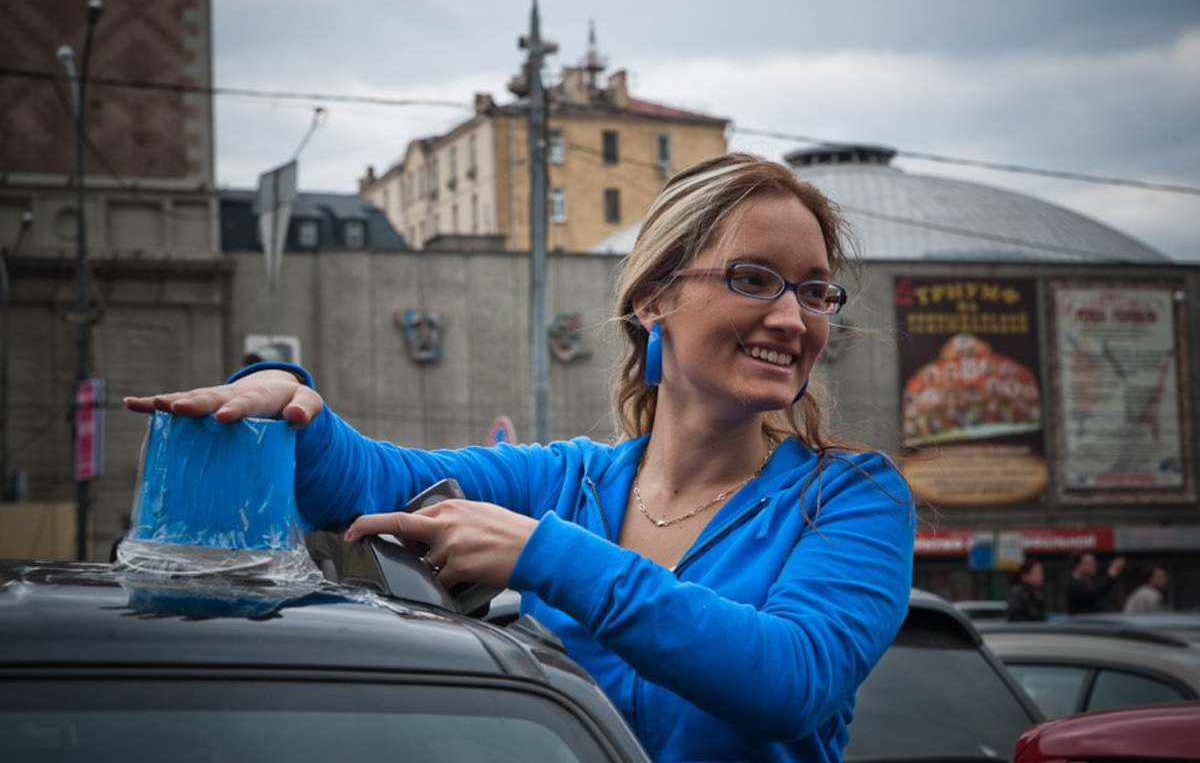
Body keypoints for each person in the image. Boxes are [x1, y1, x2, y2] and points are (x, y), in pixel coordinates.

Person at [125, 153, 915, 763]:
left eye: (816, 292)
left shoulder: (851, 497)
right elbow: (366, 483)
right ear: (654, 299)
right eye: (754, 279)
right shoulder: (562, 480)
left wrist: (541, 554)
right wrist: (284, 394)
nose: (791, 316)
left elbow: (790, 680)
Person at [1065, 550, 1126, 614]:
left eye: (1094, 562)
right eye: (1089, 563)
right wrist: (1111, 575)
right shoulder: (1073, 584)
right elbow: (1091, 596)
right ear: (1078, 566)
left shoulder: (1091, 581)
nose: (1094, 566)